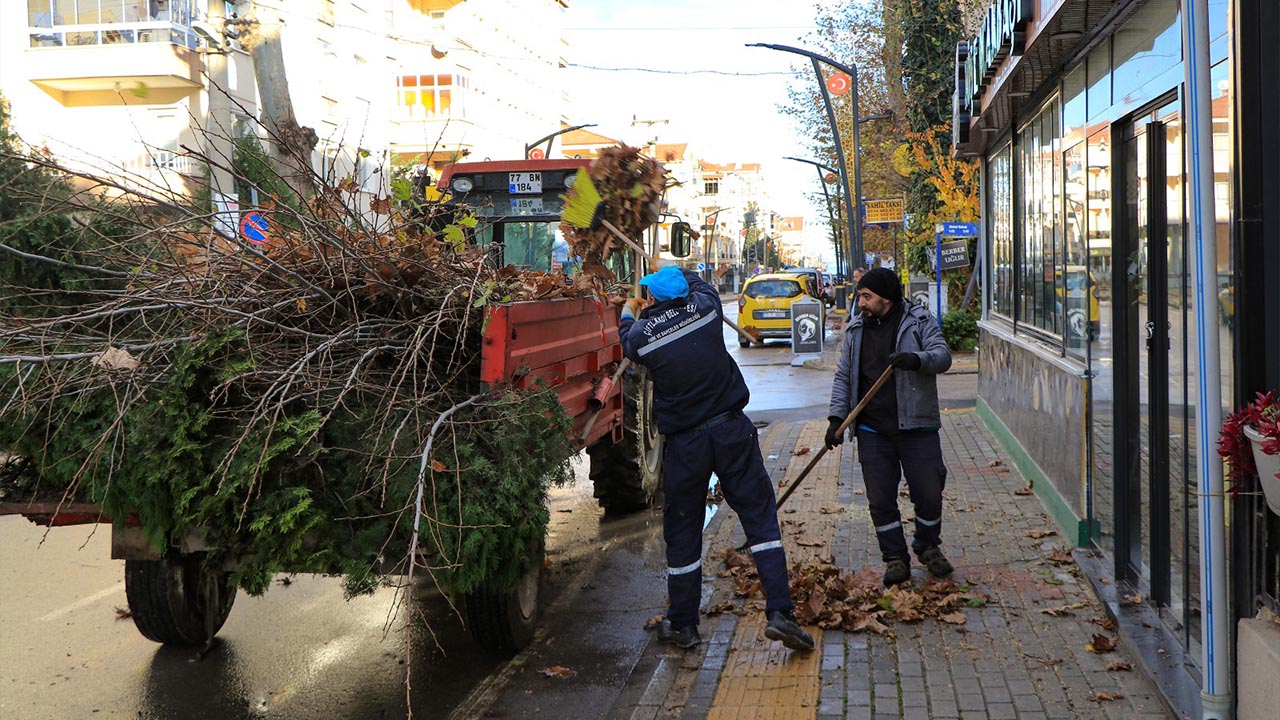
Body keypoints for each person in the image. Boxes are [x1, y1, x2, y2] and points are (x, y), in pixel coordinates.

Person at [619, 265, 813, 652]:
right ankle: (780, 613)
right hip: (731, 430)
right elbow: (700, 284)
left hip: (686, 444)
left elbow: (626, 336)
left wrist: (628, 307)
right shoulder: (706, 310)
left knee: (684, 529)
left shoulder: (642, 336)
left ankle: (684, 624)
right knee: (759, 519)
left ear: (652, 300)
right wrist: (676, 271)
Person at [824, 268, 954, 587]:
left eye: (867, 297)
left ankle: (927, 545)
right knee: (880, 500)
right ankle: (895, 558)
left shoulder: (919, 321)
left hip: (917, 427)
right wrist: (836, 419)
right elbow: (844, 377)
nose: (861, 303)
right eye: (859, 296)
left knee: (929, 493)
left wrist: (916, 360)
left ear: (886, 298)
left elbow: (943, 357)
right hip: (873, 432)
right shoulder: (856, 331)